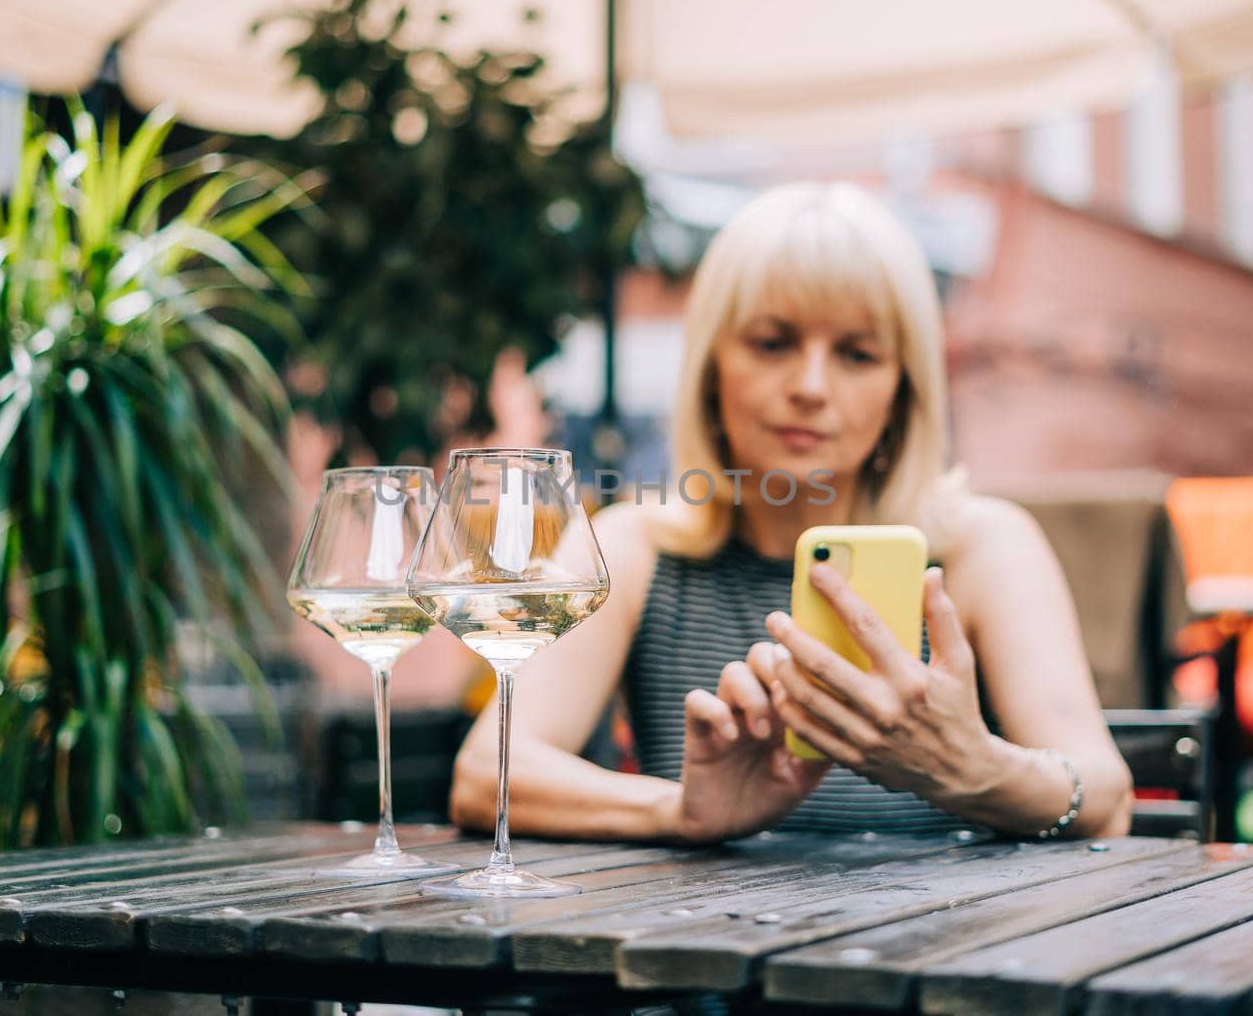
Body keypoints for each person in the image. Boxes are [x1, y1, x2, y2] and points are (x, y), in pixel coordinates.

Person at [449, 182, 1134, 842]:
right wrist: (681, 811)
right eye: (773, 343)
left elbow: (1105, 796)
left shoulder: (983, 546)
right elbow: (487, 776)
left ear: (904, 389)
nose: (810, 386)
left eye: (857, 354)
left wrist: (973, 768)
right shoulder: (633, 544)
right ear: (710, 367)